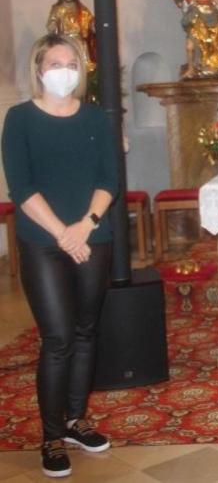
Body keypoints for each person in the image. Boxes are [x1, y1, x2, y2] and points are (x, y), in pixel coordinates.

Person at [1, 34, 117, 478]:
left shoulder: (96, 118)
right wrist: (63, 234)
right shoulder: (19, 119)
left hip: (92, 234)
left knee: (86, 330)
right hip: (42, 239)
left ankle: (75, 421)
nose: (64, 71)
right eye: (55, 63)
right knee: (58, 337)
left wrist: (86, 224)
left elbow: (109, 178)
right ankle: (51, 436)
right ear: (39, 69)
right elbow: (22, 187)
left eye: (71, 63)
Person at [45, 0, 96, 72]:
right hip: (64, 40)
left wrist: (93, 25)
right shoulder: (57, 9)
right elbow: (52, 22)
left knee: (83, 62)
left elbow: (90, 22)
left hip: (79, 41)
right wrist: (52, 25)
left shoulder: (81, 9)